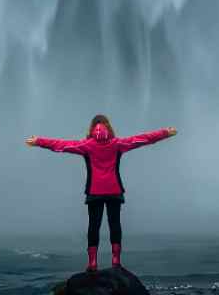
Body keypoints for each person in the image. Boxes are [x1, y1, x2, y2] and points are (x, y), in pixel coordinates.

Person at [26, 114, 177, 271]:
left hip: (94, 192)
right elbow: (143, 139)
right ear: (109, 128)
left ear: (92, 129)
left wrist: (38, 141)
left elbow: (61, 145)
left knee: (94, 226)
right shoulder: (117, 144)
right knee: (115, 224)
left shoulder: (86, 146)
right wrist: (165, 132)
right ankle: (116, 260)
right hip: (114, 190)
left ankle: (92, 262)